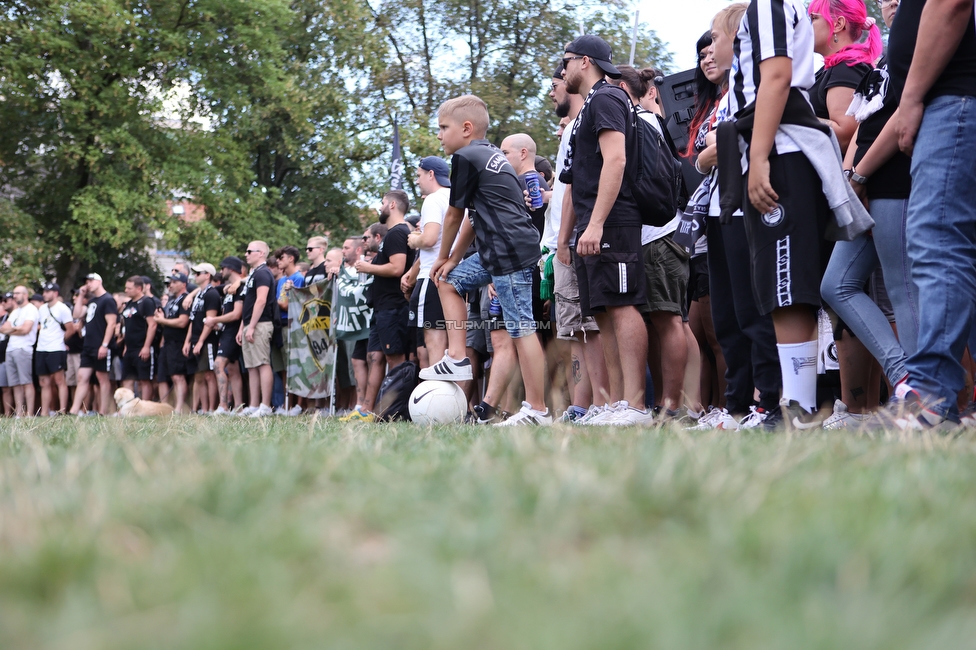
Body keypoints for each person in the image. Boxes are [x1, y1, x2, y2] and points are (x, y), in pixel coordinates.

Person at [721, 0, 854, 428]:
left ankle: (800, 408)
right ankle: (800, 406)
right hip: (778, 147)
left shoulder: (771, 4)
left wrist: (759, 156)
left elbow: (776, 77)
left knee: (787, 283)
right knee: (785, 288)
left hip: (781, 149)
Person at [424, 94, 551, 426]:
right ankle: (456, 357)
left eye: (443, 127)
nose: (438, 135)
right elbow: (470, 216)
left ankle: (537, 410)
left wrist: (440, 254)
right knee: (448, 280)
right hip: (495, 251)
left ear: (466, 129)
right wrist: (450, 260)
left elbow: (452, 216)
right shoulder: (491, 155)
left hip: (509, 251)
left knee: (521, 328)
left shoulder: (467, 156)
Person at [819, 0, 916, 428]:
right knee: (836, 285)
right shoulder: (884, 59)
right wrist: (848, 178)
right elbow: (860, 126)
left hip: (897, 180)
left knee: (904, 290)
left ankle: (929, 396)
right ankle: (907, 380)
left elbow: (900, 120)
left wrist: (858, 175)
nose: (891, 3)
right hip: (865, 186)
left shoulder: (918, 49)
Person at [885, 0, 976, 427]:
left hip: (954, 99)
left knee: (938, 243)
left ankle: (929, 397)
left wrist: (913, 96)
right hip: (957, 100)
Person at [558, 35, 652, 425]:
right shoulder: (590, 105)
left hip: (613, 219)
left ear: (584, 61)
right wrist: (573, 233)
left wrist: (595, 222)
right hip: (592, 223)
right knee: (607, 311)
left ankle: (635, 405)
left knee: (623, 304)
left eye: (565, 62)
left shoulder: (608, 97)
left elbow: (616, 160)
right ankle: (616, 403)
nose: (561, 71)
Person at [546, 63, 609, 424]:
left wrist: (564, 241)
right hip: (564, 243)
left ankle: (600, 403)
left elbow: (572, 189)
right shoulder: (571, 129)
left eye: (555, 83)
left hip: (573, 240)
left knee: (589, 328)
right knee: (574, 332)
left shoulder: (580, 123)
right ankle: (583, 406)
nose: (553, 91)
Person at [346, 191, 417, 421]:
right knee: (374, 358)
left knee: (396, 360)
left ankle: (395, 411)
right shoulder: (392, 234)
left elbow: (397, 268)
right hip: (382, 308)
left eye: (383, 203)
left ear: (393, 205)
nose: (380, 207)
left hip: (394, 307)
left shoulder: (398, 233)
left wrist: (368, 268)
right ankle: (366, 411)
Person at [403, 157, 452, 366]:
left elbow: (430, 239)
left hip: (432, 278)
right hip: (454, 275)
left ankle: (438, 396)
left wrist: (414, 239)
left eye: (418, 175)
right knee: (453, 346)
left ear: (430, 174)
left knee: (434, 344)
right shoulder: (456, 197)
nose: (417, 181)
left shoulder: (433, 199)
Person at [69, 273, 118, 415]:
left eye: (90, 281)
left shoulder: (108, 300)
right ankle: (74, 410)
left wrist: (105, 345)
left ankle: (103, 411)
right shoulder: (91, 301)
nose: (88, 284)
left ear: (99, 281)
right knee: (82, 377)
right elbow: (77, 314)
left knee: (102, 378)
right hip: (88, 346)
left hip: (100, 345)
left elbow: (111, 324)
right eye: (86, 282)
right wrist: (80, 295)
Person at [238, 241, 276, 417]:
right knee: (252, 366)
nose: (246, 254)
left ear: (260, 253)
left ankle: (265, 406)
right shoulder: (254, 274)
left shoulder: (263, 273)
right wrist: (243, 328)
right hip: (250, 325)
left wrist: (252, 326)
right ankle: (254, 405)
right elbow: (248, 304)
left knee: (262, 363)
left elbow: (261, 301)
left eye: (249, 251)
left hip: (260, 324)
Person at [207, 257, 246, 415]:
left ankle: (223, 406)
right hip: (227, 331)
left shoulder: (241, 287)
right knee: (233, 368)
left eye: (223, 268)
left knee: (218, 365)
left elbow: (236, 314)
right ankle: (238, 407)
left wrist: (214, 319)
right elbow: (207, 289)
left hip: (233, 331)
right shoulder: (229, 287)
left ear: (230, 268)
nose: (221, 271)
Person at [184, 263, 221, 412]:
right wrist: (188, 341)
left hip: (208, 341)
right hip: (196, 340)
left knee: (209, 375)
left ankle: (211, 409)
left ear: (208, 275)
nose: (195, 276)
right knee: (198, 376)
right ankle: (203, 409)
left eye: (198, 273)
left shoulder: (212, 294)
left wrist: (200, 341)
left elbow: (210, 320)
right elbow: (193, 320)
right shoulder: (199, 294)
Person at [154, 272, 191, 413]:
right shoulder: (172, 301)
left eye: (175, 282)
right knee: (164, 376)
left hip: (179, 342)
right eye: (171, 282)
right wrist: (162, 318)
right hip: (168, 342)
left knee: (178, 376)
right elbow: (168, 323)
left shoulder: (185, 299)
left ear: (183, 284)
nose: (171, 285)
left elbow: (183, 322)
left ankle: (179, 408)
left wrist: (162, 321)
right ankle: (166, 408)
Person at [35, 282, 73, 415]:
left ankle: (62, 411)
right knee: (44, 381)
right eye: (44, 291)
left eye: (47, 291)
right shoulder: (42, 308)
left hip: (56, 348)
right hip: (42, 348)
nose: (44, 294)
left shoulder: (63, 309)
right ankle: (45, 412)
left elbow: (70, 328)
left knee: (59, 380)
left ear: (55, 293)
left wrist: (61, 340)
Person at [0, 286, 38, 416]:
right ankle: (19, 413)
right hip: (10, 349)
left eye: (17, 293)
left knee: (26, 382)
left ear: (25, 295)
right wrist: (17, 328)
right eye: (14, 294)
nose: (14, 296)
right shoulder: (15, 311)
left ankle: (29, 413)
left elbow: (26, 329)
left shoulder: (31, 309)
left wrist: (12, 329)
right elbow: (3, 329)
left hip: (23, 349)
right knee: (15, 384)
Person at [120, 276, 157, 402]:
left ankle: (145, 406)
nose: (126, 290)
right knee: (128, 379)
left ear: (139, 288)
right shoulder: (129, 304)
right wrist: (126, 346)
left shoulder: (146, 302)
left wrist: (146, 346)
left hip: (142, 347)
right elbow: (127, 327)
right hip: (130, 348)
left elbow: (152, 324)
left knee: (144, 379)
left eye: (129, 288)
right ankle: (128, 407)